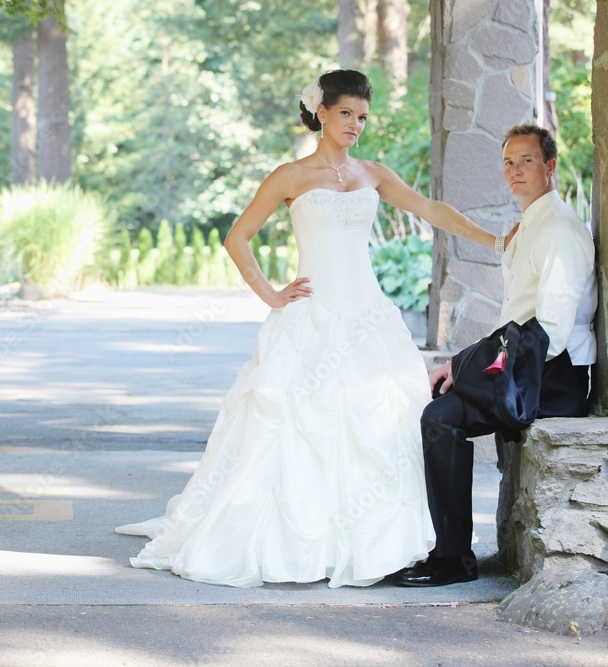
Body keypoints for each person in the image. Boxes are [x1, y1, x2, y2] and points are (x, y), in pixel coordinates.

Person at [116, 69, 506, 588]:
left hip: (369, 316)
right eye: (346, 113)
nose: (355, 125)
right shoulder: (290, 176)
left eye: (363, 117)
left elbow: (431, 209)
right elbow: (237, 238)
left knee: (385, 422)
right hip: (311, 316)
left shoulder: (372, 173)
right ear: (321, 111)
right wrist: (273, 296)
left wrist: (496, 240)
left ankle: (390, 544)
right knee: (296, 424)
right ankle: (303, 545)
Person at [396, 123, 596, 588]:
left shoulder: (561, 230)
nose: (515, 171)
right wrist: (460, 364)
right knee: (438, 414)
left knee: (441, 417)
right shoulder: (531, 223)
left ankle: (453, 560)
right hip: (531, 366)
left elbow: (552, 331)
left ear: (550, 167)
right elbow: (516, 318)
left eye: (526, 161)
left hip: (555, 379)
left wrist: (472, 368)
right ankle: (451, 555)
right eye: (508, 162)